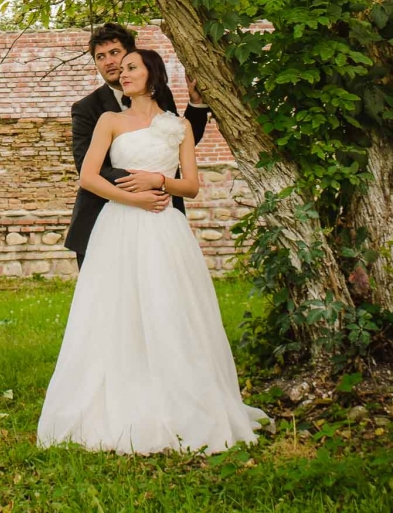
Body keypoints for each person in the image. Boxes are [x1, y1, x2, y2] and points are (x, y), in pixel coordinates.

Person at [38, 49, 266, 455]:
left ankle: (179, 397)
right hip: (118, 227)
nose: (121, 73)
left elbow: (191, 186)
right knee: (115, 311)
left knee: (169, 308)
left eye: (130, 67)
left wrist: (158, 180)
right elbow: (89, 177)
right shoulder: (109, 120)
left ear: (152, 74)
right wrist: (134, 199)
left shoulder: (178, 126)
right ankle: (117, 399)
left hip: (165, 230)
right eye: (117, 68)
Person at [64, 22, 210, 270]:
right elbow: (88, 168)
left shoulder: (161, 96)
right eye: (100, 57)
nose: (109, 62)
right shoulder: (87, 109)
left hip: (160, 214)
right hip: (103, 215)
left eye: (115, 53)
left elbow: (173, 144)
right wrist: (142, 182)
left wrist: (196, 106)